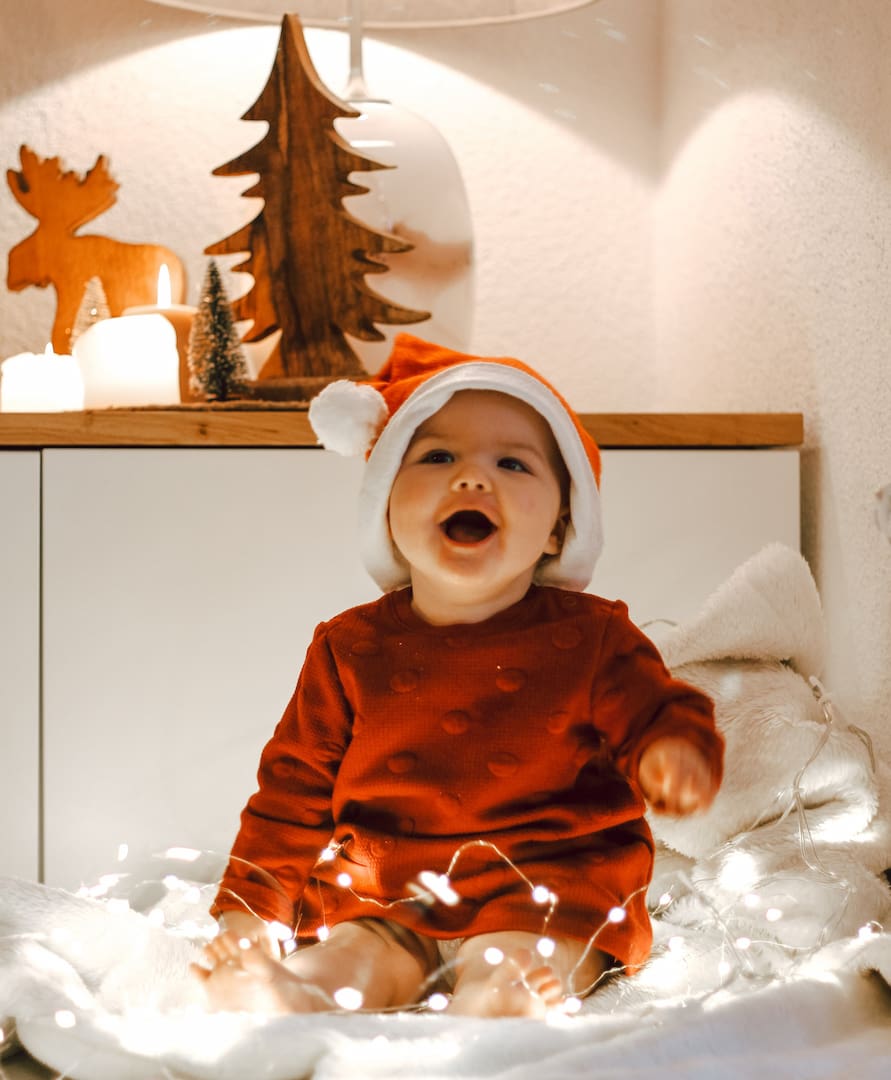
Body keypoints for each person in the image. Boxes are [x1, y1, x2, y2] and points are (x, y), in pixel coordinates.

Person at [193, 334, 723, 1018]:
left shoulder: (593, 639)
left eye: (512, 463)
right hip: (386, 894)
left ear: (559, 528)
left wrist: (671, 751)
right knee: (352, 955)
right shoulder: (349, 647)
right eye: (437, 456)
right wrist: (248, 914)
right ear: (386, 505)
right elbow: (290, 795)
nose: (472, 479)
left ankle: (502, 999)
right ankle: (293, 994)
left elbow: (657, 709)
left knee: (516, 960)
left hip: (548, 891)